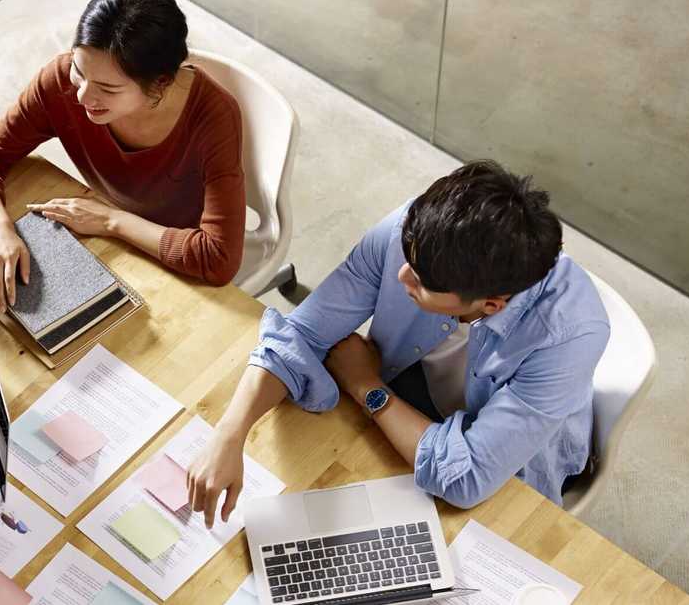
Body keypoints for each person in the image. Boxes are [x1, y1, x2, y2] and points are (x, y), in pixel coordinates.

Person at [187, 161, 610, 524]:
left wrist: (365, 386)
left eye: (421, 282)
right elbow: (302, 334)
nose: (401, 276)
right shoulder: (416, 234)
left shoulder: (567, 337)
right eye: (407, 260)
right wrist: (230, 433)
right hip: (411, 391)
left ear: (491, 304)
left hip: (508, 466)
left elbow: (466, 479)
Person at [0, 0, 246, 311]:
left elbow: (218, 258)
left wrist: (111, 221)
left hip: (169, 250)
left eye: (108, 89)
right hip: (107, 237)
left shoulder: (214, 117)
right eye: (79, 71)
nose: (82, 96)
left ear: (160, 85)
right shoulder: (59, 81)